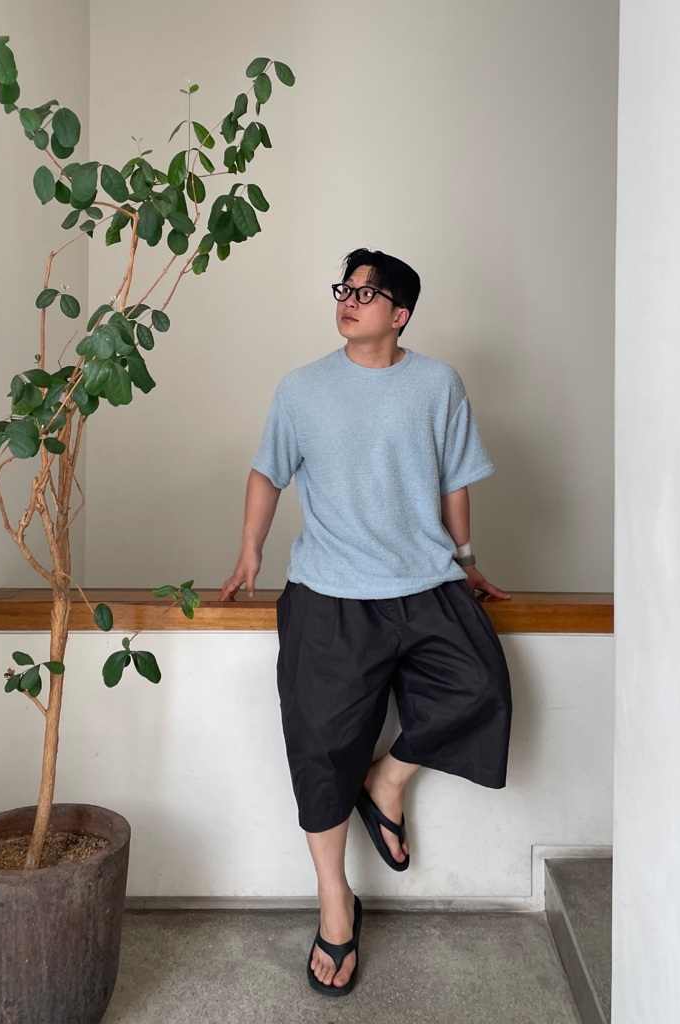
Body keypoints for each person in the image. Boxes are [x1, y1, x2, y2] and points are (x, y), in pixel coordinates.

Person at [219, 247, 513, 997]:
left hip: (424, 580)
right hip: (328, 592)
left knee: (480, 686)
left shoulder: (438, 384)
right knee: (319, 749)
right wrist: (251, 550)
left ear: (400, 314)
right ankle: (335, 903)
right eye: (344, 289)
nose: (348, 301)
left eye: (366, 293)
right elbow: (267, 470)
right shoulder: (302, 388)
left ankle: (386, 779)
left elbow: (454, 481)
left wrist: (467, 559)